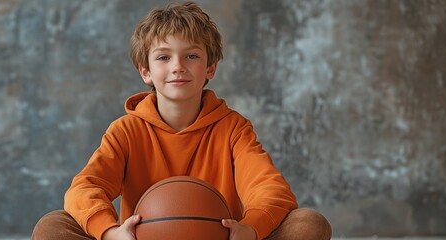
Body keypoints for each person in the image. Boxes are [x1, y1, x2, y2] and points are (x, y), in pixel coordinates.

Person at [32, 2, 332, 240]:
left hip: (219, 238)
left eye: (191, 56)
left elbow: (271, 190)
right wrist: (111, 232)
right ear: (145, 71)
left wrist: (250, 229)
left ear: (210, 68)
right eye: (163, 57)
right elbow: (85, 188)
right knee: (52, 228)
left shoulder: (233, 128)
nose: (178, 67)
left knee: (309, 224)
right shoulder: (126, 130)